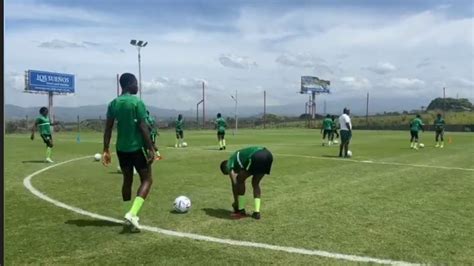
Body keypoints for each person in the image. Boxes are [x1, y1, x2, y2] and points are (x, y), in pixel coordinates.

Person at [102, 73, 156, 232]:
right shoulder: (137, 102)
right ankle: (132, 213)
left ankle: (126, 213)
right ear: (129, 84)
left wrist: (106, 148)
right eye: (136, 83)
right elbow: (143, 126)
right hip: (137, 148)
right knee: (147, 179)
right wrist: (151, 147)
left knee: (127, 179)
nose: (138, 87)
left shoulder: (113, 104)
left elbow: (108, 128)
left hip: (121, 149)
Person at [219, 146, 273, 220]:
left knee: (239, 179)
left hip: (256, 155)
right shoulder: (240, 160)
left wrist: (236, 202)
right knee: (255, 183)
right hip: (268, 155)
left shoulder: (230, 162)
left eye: (227, 172)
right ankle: (257, 212)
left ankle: (241, 209)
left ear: (225, 168)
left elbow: (234, 183)